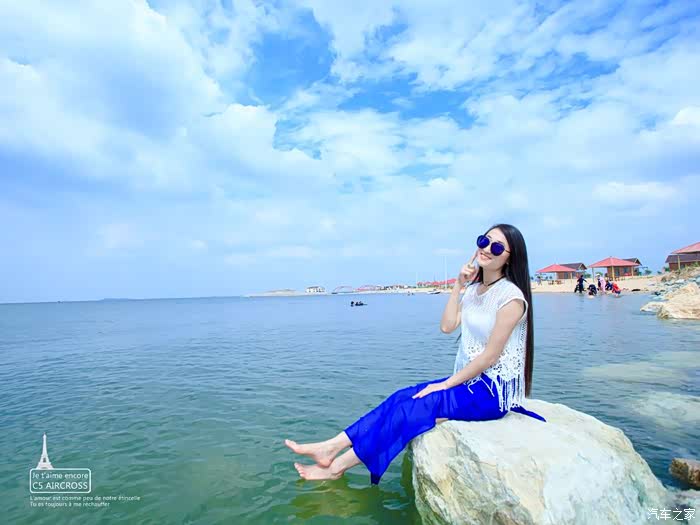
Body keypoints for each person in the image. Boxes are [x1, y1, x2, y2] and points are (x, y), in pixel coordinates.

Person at [284, 224, 546, 484]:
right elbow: (447, 327)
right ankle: (331, 447)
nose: (487, 249)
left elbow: (490, 357)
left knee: (411, 410)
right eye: (483, 241)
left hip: (493, 392)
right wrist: (458, 284)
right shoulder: (474, 290)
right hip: (470, 381)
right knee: (401, 397)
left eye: (497, 247)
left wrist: (445, 384)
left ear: (510, 258)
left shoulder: (511, 298)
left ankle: (336, 468)